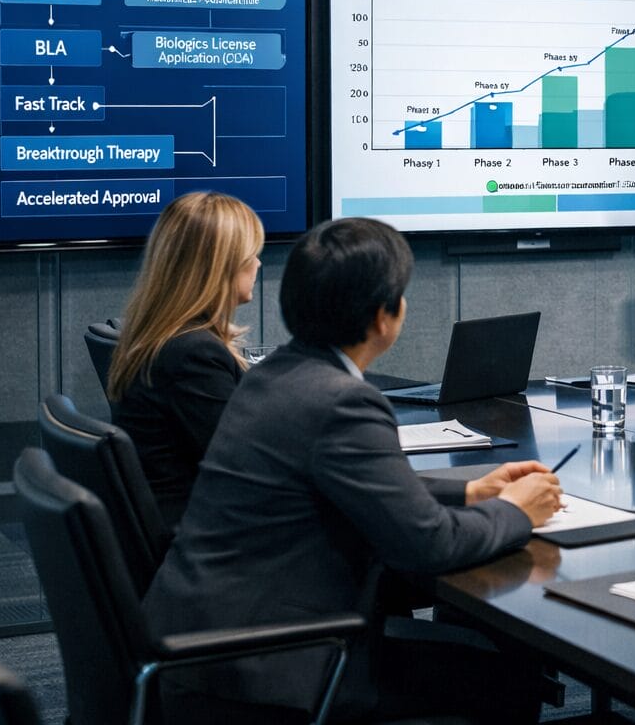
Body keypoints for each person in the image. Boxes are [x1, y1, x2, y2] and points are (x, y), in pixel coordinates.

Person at [143, 217, 563, 722]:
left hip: (206, 644)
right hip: (267, 670)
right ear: (385, 317)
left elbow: (348, 488)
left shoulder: (274, 374)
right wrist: (516, 510)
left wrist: (470, 492)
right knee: (513, 681)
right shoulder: (343, 402)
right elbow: (428, 545)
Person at [108, 191, 264, 525]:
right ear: (219, 267)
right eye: (251, 255)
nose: (258, 264)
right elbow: (246, 465)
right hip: (207, 538)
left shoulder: (164, 337)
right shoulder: (193, 355)